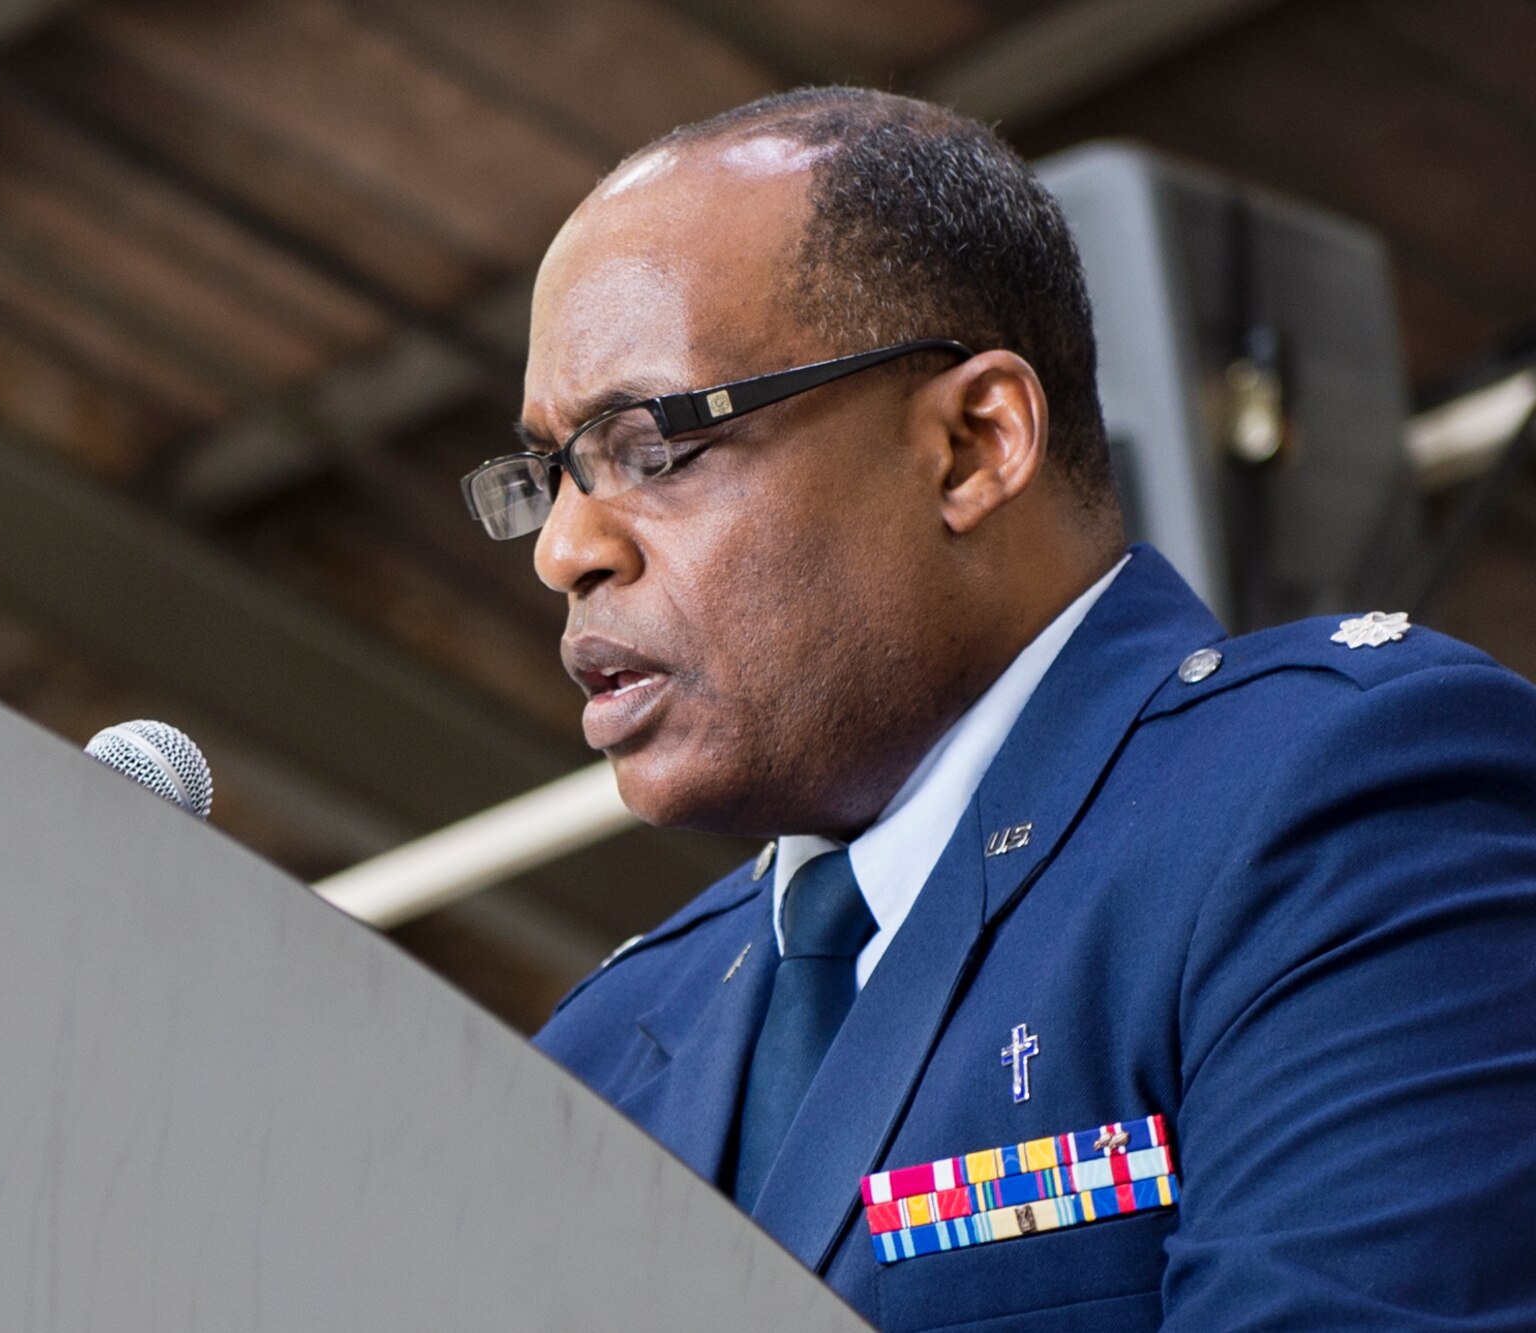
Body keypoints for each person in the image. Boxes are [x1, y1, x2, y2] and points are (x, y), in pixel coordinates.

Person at [459, 87, 1536, 1330]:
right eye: (549, 476)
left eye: (649, 446)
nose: (565, 550)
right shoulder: (600, 1052)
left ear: (973, 445)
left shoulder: (1338, 801)